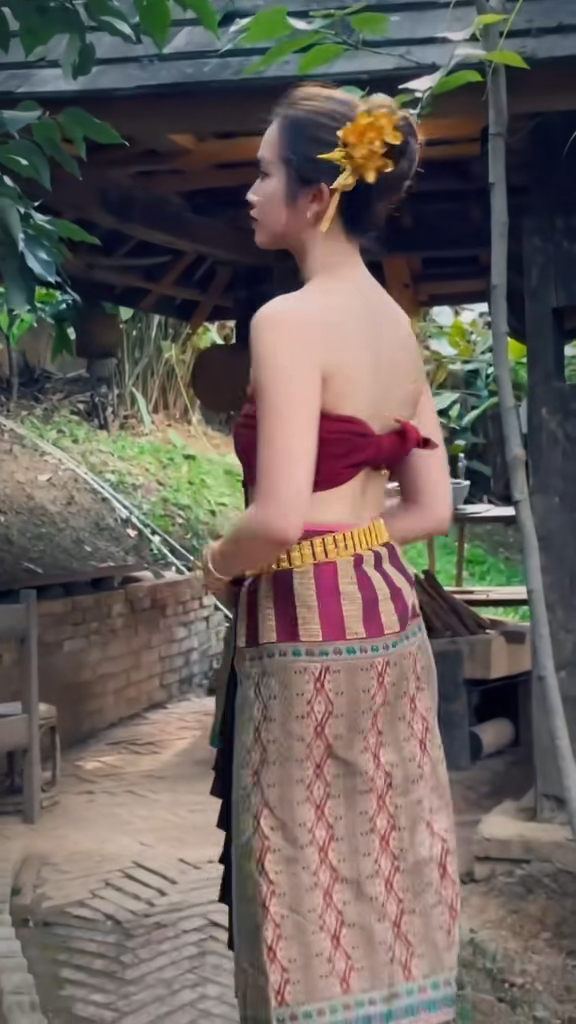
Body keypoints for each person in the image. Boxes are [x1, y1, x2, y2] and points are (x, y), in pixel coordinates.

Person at [203, 83, 459, 1024]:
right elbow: (429, 510)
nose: (250, 193)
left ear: (316, 197)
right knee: (389, 852)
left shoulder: (287, 321)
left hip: (301, 627)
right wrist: (348, 541)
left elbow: (275, 520)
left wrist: (216, 563)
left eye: (264, 174)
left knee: (298, 866)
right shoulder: (395, 327)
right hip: (388, 620)